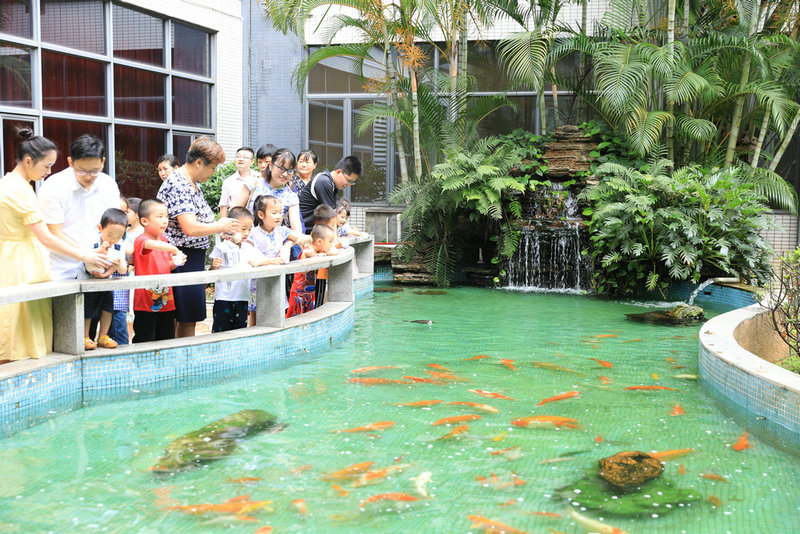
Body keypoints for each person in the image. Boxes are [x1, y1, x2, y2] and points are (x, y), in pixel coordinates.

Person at [0, 129, 108, 363]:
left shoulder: (11, 183)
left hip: (13, 258)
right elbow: (47, 237)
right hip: (20, 264)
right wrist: (86, 256)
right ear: (28, 161)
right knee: (16, 327)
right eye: (47, 166)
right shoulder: (20, 190)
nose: (49, 172)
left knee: (14, 323)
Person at [157, 137, 240, 338]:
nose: (214, 173)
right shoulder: (179, 183)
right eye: (213, 168)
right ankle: (181, 355)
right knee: (183, 317)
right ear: (199, 163)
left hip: (189, 257)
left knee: (188, 316)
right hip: (180, 256)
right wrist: (219, 226)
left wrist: (220, 228)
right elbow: (190, 228)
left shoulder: (191, 181)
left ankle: (183, 354)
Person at [38, 134, 120, 281]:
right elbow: (54, 232)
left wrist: (112, 259)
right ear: (70, 162)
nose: (88, 176)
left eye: (94, 171)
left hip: (98, 268)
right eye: (81, 170)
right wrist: (86, 255)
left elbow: (114, 226)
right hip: (62, 271)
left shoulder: (109, 185)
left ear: (103, 162)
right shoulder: (54, 186)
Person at [132, 199, 186, 343]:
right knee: (145, 340)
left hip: (167, 301)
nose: (165, 220)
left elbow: (165, 266)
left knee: (166, 340)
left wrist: (176, 263)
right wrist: (173, 248)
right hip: (145, 303)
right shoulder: (141, 240)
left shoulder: (164, 240)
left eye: (166, 216)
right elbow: (152, 245)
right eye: (159, 216)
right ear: (144, 221)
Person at [247, 195, 305, 325]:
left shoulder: (282, 231)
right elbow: (251, 259)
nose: (279, 216)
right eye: (274, 213)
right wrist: (271, 261)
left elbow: (301, 238)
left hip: (276, 280)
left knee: (278, 315)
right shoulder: (252, 234)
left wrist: (287, 245)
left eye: (280, 212)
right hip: (257, 282)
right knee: (255, 318)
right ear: (261, 214)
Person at [80, 207, 128, 350]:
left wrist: (115, 267)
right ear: (100, 228)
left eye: (118, 236)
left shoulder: (119, 245)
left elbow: (122, 269)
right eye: (110, 235)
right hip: (88, 282)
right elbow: (84, 256)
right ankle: (85, 336)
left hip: (106, 283)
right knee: (88, 309)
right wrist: (100, 250)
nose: (113, 240)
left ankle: (103, 336)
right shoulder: (92, 241)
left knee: (108, 308)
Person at [208, 206, 262, 332]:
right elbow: (211, 273)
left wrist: (274, 260)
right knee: (221, 332)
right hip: (224, 299)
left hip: (242, 298)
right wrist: (214, 265)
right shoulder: (221, 248)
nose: (247, 233)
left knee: (240, 331)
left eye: (249, 229)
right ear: (231, 227)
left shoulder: (249, 248)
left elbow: (261, 260)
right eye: (243, 229)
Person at [235, 148, 303, 235]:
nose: (285, 174)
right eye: (281, 168)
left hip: (273, 242)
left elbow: (297, 230)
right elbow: (235, 213)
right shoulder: (252, 183)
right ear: (271, 165)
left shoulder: (291, 196)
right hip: (246, 239)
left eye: (289, 171)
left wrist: (289, 243)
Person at [298, 155, 362, 230]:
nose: (349, 185)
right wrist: (335, 236)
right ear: (339, 172)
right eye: (348, 180)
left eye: (352, 182)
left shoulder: (332, 185)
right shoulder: (324, 181)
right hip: (302, 231)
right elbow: (331, 217)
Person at [286, 224, 336, 318]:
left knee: (308, 317)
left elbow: (335, 251)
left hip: (310, 292)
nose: (331, 245)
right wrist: (312, 256)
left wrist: (324, 254)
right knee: (294, 317)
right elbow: (303, 268)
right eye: (330, 242)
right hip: (299, 293)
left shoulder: (320, 251)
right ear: (319, 241)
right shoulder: (308, 250)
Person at [219, 147, 259, 218]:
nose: (241, 159)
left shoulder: (258, 177)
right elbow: (223, 206)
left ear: (252, 161)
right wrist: (223, 223)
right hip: (237, 219)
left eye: (245, 157)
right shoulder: (228, 181)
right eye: (238, 156)